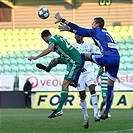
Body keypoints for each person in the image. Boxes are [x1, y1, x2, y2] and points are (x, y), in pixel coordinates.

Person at [54, 13, 120, 120]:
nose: (91, 24)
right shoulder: (105, 31)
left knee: (82, 56)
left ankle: (75, 80)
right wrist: (70, 30)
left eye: (93, 23)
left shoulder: (95, 31)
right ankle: (106, 111)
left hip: (107, 58)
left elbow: (79, 29)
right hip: (117, 58)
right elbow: (80, 31)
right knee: (110, 86)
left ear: (97, 24)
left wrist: (63, 20)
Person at [36, 34, 100, 129]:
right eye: (76, 35)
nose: (78, 36)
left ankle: (96, 113)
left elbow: (93, 56)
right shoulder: (73, 46)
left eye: (79, 35)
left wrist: (100, 65)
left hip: (89, 71)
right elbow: (69, 57)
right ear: (74, 37)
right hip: (79, 72)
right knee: (82, 95)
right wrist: (78, 67)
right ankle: (86, 116)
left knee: (92, 89)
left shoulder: (89, 45)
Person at [28, 30, 84, 118]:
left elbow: (49, 49)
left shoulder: (52, 40)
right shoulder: (57, 37)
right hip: (70, 58)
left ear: (44, 38)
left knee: (65, 84)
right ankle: (47, 69)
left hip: (74, 62)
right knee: (55, 60)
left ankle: (59, 110)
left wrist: (36, 57)